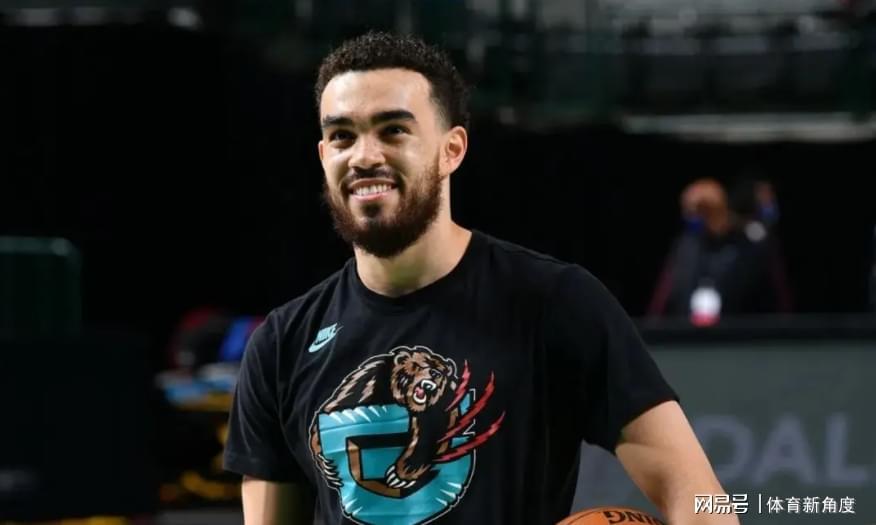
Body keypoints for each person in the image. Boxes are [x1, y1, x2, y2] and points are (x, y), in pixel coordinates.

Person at [223, 32, 738, 525]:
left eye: (393, 130)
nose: (364, 156)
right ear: (323, 156)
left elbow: (703, 500)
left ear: (452, 149)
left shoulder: (555, 302)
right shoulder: (281, 346)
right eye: (342, 136)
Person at [648, 177, 792, 322]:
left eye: (698, 211)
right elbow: (663, 298)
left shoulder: (752, 247)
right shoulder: (685, 246)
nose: (691, 217)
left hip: (737, 330)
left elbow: (774, 300)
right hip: (688, 329)